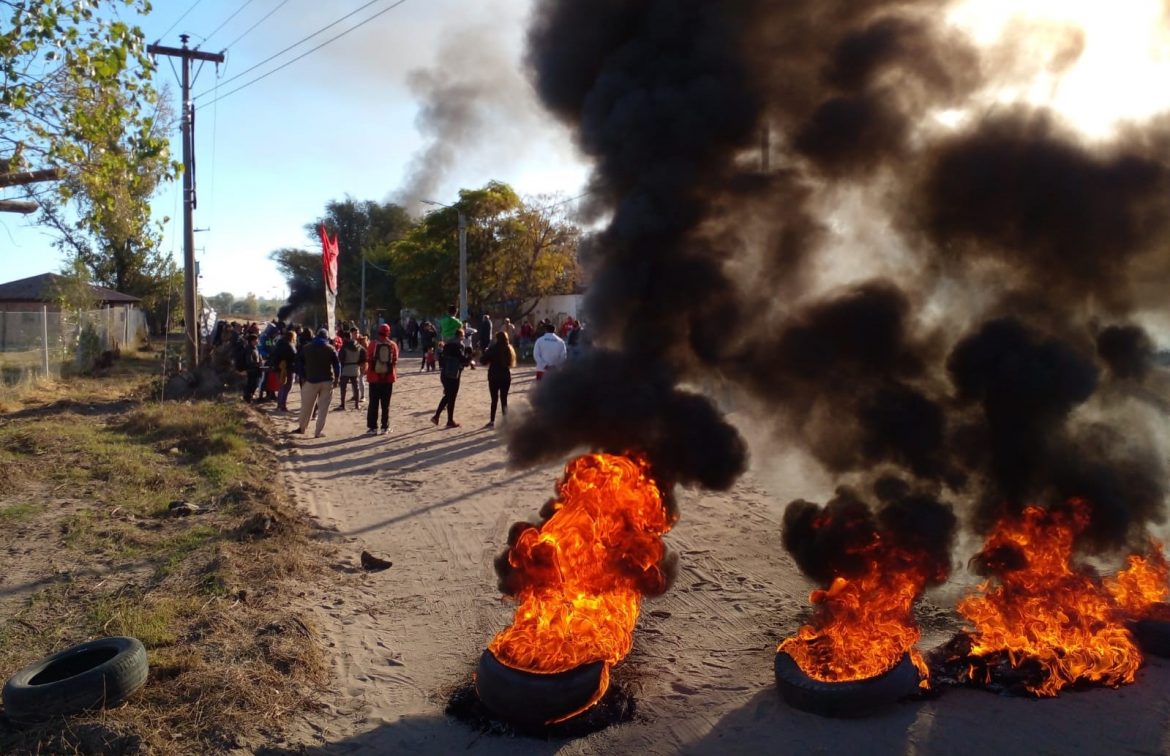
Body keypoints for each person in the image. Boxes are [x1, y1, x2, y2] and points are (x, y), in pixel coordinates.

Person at [294, 328, 340, 438]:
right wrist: (337, 378)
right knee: (323, 408)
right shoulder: (331, 349)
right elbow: (337, 365)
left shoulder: (306, 348)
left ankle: (302, 427)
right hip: (327, 381)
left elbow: (299, 363)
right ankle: (318, 432)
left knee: (306, 406)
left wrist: (303, 376)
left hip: (311, 380)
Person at [431, 328, 472, 428]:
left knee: (447, 396)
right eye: (462, 336)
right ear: (460, 336)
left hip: (444, 373)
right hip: (453, 375)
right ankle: (449, 420)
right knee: (451, 397)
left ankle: (436, 416)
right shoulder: (459, 346)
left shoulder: (447, 345)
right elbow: (463, 361)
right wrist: (471, 356)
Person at [366, 323, 399, 435]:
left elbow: (368, 358)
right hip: (388, 378)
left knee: (373, 403)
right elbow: (395, 360)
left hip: (374, 378)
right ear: (388, 332)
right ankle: (385, 427)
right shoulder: (392, 345)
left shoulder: (372, 344)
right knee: (386, 404)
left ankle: (372, 428)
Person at [479, 330, 516, 428]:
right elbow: (510, 363)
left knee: (494, 399)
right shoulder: (509, 348)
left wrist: (485, 352)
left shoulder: (493, 348)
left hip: (494, 375)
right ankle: (505, 420)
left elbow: (483, 361)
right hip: (505, 375)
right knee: (504, 399)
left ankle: (492, 421)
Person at [337, 327, 366, 410]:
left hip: (346, 368)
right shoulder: (359, 346)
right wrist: (359, 363)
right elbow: (364, 355)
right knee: (355, 386)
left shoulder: (345, 346)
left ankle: (343, 405)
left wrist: (343, 363)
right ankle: (357, 405)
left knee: (343, 387)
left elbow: (341, 357)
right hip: (355, 368)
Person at [271, 328, 298, 412]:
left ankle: (279, 404)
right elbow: (294, 356)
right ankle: (282, 405)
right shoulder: (290, 345)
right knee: (286, 387)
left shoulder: (279, 343)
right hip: (288, 368)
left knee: (281, 386)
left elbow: (275, 355)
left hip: (279, 368)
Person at [242, 332, 263, 403]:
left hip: (256, 370)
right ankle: (247, 400)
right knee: (251, 385)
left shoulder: (255, 348)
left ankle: (249, 398)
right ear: (252, 341)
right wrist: (258, 364)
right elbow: (249, 362)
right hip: (252, 371)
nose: (258, 341)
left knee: (255, 385)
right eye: (256, 340)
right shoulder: (249, 349)